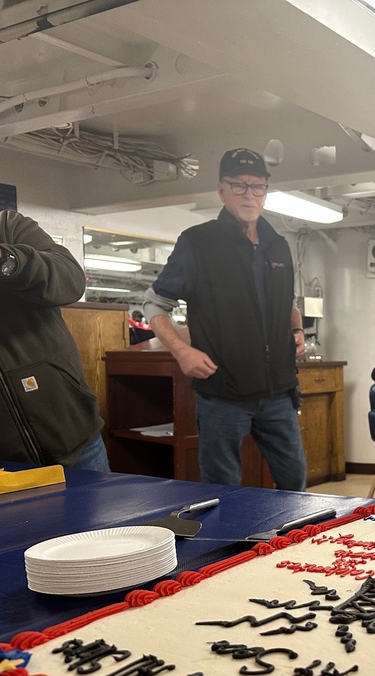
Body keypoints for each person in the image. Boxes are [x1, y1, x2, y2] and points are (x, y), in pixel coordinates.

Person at [142, 148, 307, 490]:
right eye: (239, 185)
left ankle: (291, 544)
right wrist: (181, 352)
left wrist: (296, 327)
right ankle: (231, 545)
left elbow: (286, 301)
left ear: (265, 191)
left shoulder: (279, 245)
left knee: (294, 482)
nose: (249, 194)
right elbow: (155, 303)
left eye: (257, 186)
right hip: (223, 393)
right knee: (223, 487)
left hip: (279, 391)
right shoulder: (198, 242)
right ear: (221, 189)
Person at [0, 210, 109, 471]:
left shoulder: (4, 225)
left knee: (101, 513)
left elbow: (71, 280)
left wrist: (2, 259)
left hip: (77, 441)